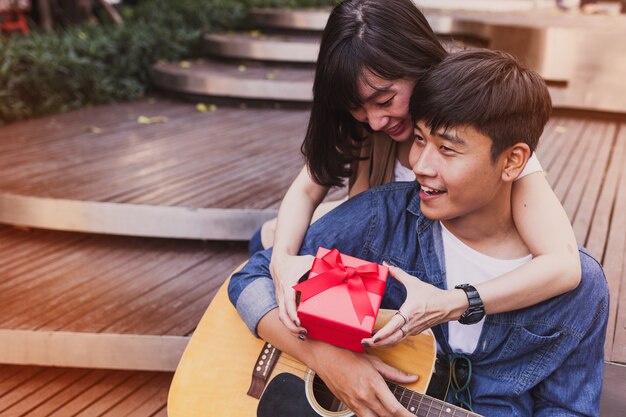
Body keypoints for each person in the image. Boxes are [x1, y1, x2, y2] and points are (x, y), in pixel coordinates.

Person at [229, 48, 609, 416]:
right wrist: (331, 362)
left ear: (513, 161)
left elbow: (567, 406)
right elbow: (249, 277)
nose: (419, 164)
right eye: (420, 139)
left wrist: (456, 302)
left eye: (447, 149)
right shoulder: (383, 224)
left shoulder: (579, 290)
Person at [249, 0, 581, 341]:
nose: (376, 121)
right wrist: (282, 263)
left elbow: (564, 264)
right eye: (356, 107)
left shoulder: (475, 123)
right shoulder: (367, 125)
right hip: (374, 261)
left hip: (430, 277)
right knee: (271, 237)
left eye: (384, 100)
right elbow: (307, 188)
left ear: (418, 64)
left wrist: (455, 302)